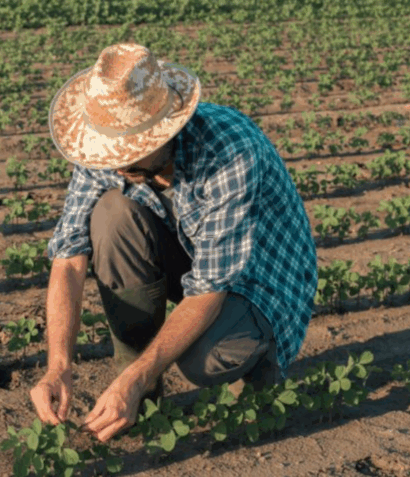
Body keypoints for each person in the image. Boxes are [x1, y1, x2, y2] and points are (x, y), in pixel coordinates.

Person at [29, 43, 317, 443]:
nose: (116, 164)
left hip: (261, 278)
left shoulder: (229, 152)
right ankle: (139, 392)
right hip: (194, 262)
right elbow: (68, 257)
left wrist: (138, 376)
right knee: (112, 216)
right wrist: (57, 367)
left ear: (166, 130)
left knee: (205, 357)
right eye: (112, 153)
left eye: (130, 153)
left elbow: (209, 288)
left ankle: (258, 363)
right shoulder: (104, 148)